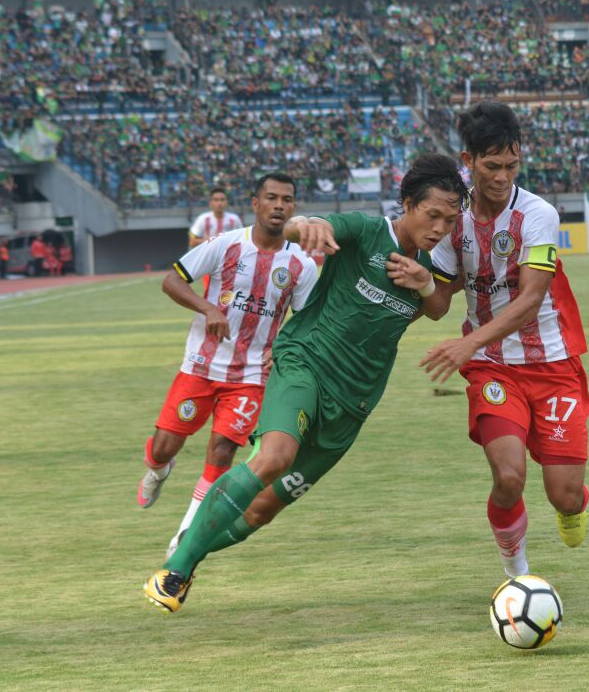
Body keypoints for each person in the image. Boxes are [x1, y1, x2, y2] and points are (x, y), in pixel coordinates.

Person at [143, 153, 468, 613]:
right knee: (274, 457)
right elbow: (304, 229)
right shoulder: (365, 230)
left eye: (449, 220)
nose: (439, 227)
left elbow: (437, 308)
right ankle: (177, 570)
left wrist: (421, 283)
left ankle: (190, 551)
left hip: (353, 405)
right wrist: (306, 224)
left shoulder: (431, 264)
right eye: (431, 214)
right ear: (408, 204)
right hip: (305, 366)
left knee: (261, 509)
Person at [422, 102, 589, 579]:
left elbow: (532, 299)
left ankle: (573, 504)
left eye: (511, 166)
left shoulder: (537, 214)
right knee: (509, 476)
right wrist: (419, 280)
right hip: (492, 367)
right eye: (491, 166)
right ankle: (518, 578)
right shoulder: (451, 221)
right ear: (468, 160)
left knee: (564, 493)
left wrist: (467, 343)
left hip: (552, 361)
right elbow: (437, 305)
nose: (501, 176)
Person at [137, 173, 318, 560]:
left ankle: (187, 532)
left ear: (293, 208)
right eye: (271, 198)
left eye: (286, 200)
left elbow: (304, 320)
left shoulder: (302, 265)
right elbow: (172, 281)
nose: (279, 206)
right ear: (255, 204)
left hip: (251, 375)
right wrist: (208, 308)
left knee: (222, 451)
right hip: (201, 365)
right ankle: (157, 469)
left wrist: (283, 347)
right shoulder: (223, 244)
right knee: (165, 446)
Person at [190, 188, 244, 294]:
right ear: (211, 203)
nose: (219, 203)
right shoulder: (203, 219)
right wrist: (209, 240)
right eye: (216, 200)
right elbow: (192, 241)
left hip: (231, 263)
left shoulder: (234, 219)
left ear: (226, 202)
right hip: (210, 263)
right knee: (211, 295)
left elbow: (242, 240)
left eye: (222, 200)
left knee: (231, 295)